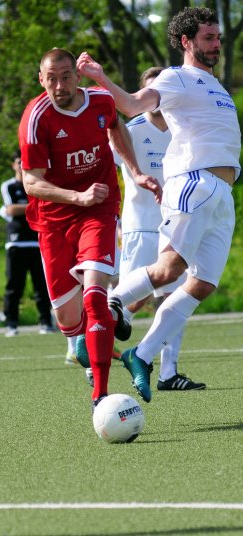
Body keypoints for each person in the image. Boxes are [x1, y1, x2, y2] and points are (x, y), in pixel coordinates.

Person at [77, 6, 240, 403]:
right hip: (194, 183)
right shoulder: (175, 77)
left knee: (201, 284)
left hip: (223, 195)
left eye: (217, 37)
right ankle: (112, 303)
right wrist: (100, 79)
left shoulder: (216, 85)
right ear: (186, 42)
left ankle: (142, 355)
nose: (216, 44)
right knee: (169, 269)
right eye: (208, 38)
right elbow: (133, 105)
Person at [18, 48, 161, 410]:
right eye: (51, 77)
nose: (59, 84)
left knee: (95, 295)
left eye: (66, 75)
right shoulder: (35, 118)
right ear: (40, 78)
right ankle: (121, 355)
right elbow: (31, 183)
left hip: (99, 209)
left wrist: (135, 171)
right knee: (68, 320)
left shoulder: (99, 101)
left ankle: (101, 394)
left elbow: (117, 127)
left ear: (77, 76)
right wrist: (76, 196)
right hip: (54, 220)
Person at [116, 66, 205, 392]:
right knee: (130, 303)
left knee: (174, 297)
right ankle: (95, 350)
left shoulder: (184, 130)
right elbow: (104, 170)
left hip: (176, 228)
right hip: (140, 228)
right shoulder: (131, 129)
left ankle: (168, 372)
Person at [0, 149, 56, 338]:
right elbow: (11, 209)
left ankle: (46, 322)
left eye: (24, 162)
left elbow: (47, 205)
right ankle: (11, 324)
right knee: (14, 286)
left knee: (42, 285)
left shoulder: (38, 184)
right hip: (16, 242)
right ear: (13, 165)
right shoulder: (8, 186)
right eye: (18, 162)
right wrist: (35, 206)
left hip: (37, 242)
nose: (21, 165)